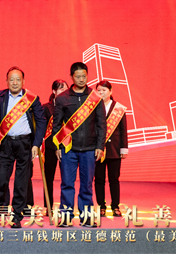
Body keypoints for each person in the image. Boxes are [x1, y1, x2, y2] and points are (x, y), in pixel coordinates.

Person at [0, 67, 45, 228]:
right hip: (5, 143)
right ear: (6, 81)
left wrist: (36, 144)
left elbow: (41, 121)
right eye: (11, 79)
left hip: (25, 143)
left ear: (23, 81)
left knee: (21, 181)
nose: (15, 82)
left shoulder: (31, 98)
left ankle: (17, 215)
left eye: (18, 79)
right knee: (1, 178)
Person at [52, 62, 106, 227]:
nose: (81, 79)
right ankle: (66, 217)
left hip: (89, 149)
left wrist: (100, 146)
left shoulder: (95, 98)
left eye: (84, 76)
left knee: (87, 185)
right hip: (68, 149)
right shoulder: (62, 98)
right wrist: (58, 147)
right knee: (67, 184)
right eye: (78, 77)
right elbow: (56, 125)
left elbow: (101, 124)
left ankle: (87, 217)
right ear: (71, 77)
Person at [93, 80, 128, 217]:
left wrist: (123, 148)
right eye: (99, 90)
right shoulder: (93, 106)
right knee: (99, 179)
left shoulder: (118, 108)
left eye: (104, 90)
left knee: (114, 179)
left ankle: (115, 206)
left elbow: (123, 130)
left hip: (114, 149)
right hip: (98, 149)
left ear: (110, 91)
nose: (101, 93)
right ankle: (101, 206)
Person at [40, 79, 68, 216]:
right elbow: (42, 127)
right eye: (61, 89)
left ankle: (65, 206)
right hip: (50, 147)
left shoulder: (71, 106)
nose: (64, 91)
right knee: (48, 178)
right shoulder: (46, 107)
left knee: (66, 178)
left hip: (66, 146)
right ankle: (48, 206)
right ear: (54, 91)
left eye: (66, 89)